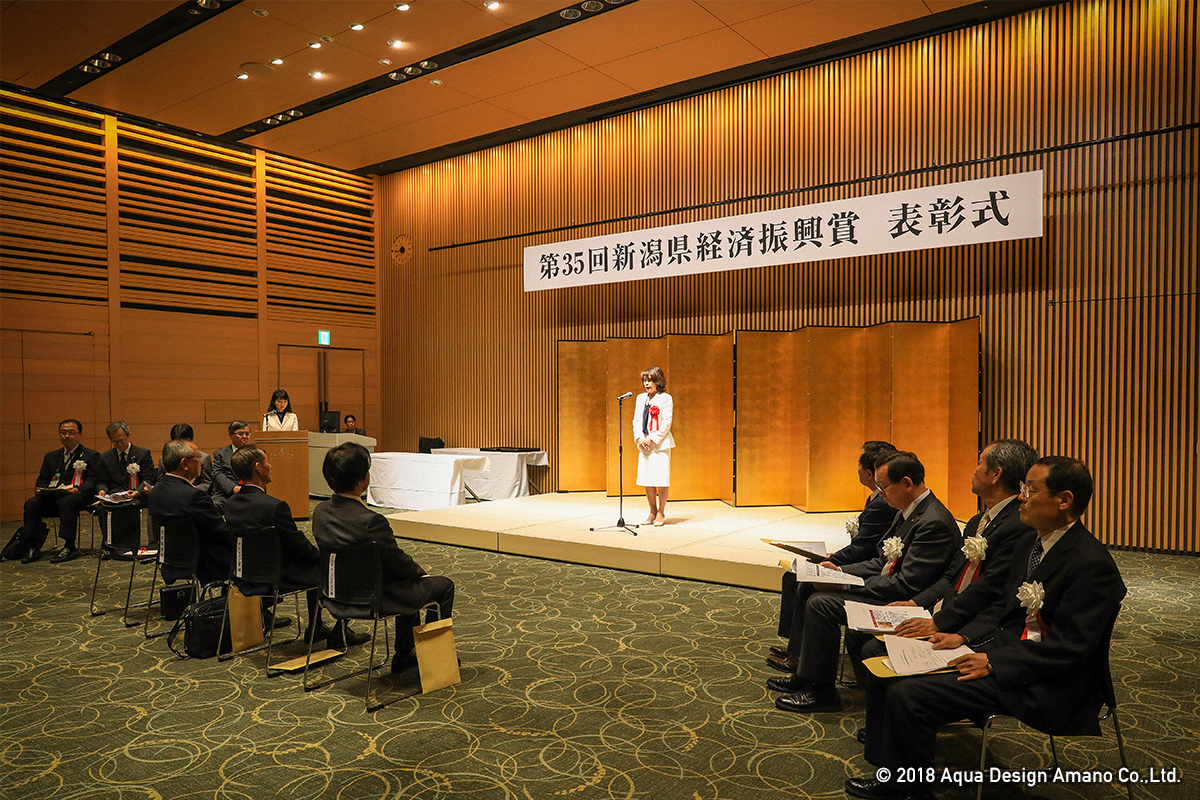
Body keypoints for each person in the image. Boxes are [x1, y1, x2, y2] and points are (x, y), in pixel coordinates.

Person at [846, 457, 1127, 800]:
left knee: (911, 693)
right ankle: (892, 770)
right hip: (1004, 651)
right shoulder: (1032, 542)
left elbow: (1071, 647)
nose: (1021, 497)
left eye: (1030, 490)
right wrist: (961, 637)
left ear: (1064, 500)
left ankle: (908, 790)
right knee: (891, 657)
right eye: (1023, 488)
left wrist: (992, 661)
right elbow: (998, 601)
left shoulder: (1090, 564)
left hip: (1045, 681)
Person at [769, 451, 961, 714]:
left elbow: (905, 584)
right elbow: (880, 561)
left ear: (906, 483)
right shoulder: (908, 511)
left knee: (821, 604)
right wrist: (838, 570)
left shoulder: (933, 522)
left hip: (903, 602)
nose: (880, 494)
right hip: (887, 588)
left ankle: (821, 692)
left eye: (884, 487)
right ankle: (805, 675)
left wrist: (845, 584)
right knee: (808, 584)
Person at [313, 442, 455, 673]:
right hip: (371, 598)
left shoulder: (319, 512)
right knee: (442, 586)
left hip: (333, 594)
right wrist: (420, 572)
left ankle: (405, 654)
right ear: (364, 479)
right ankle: (433, 659)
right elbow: (397, 562)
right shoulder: (371, 521)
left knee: (406, 584)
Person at [768, 440, 899, 673]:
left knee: (804, 582)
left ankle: (799, 655)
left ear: (869, 472)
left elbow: (863, 550)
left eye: (859, 464)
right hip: (862, 563)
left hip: (867, 571)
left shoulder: (883, 503)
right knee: (795, 576)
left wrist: (833, 562)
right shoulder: (878, 498)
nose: (856, 468)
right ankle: (796, 648)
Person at [224, 447, 367, 647]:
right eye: (267, 461)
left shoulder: (230, 504)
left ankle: (316, 626)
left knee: (316, 568)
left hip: (245, 573)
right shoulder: (274, 506)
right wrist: (322, 558)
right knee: (333, 569)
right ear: (258, 468)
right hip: (277, 576)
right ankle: (340, 631)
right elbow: (298, 545)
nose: (270, 465)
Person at [146, 439, 232, 587]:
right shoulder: (194, 496)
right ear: (185, 464)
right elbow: (221, 532)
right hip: (201, 560)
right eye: (197, 457)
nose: (201, 462)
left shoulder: (157, 490)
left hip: (168, 558)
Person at [16, 418, 101, 564]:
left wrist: (78, 489)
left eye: (71, 433)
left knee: (66, 502)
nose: (66, 436)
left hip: (78, 497)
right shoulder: (51, 456)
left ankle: (69, 546)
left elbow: (92, 480)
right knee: (32, 503)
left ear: (80, 434)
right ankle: (32, 545)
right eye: (63, 433)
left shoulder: (90, 455)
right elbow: (42, 479)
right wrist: (41, 489)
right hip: (54, 496)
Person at [632, 366, 674, 527]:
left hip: (660, 445)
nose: (647, 384)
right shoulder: (640, 398)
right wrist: (639, 438)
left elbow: (666, 423)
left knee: (661, 479)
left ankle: (661, 512)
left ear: (658, 381)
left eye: (650, 380)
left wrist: (653, 439)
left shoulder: (665, 398)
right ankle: (652, 511)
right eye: (644, 380)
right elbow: (636, 420)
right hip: (644, 445)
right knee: (647, 479)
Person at [96, 421, 156, 502]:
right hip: (114, 495)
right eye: (114, 442)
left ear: (128, 435)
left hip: (135, 495)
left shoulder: (143, 454)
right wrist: (102, 490)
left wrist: (137, 492)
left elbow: (148, 479)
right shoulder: (105, 457)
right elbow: (102, 480)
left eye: (122, 440)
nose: (119, 444)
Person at [156, 423, 213, 494]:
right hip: (171, 493)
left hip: (195, 494)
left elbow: (207, 482)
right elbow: (161, 480)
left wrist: (190, 489)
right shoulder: (164, 458)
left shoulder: (204, 458)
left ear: (192, 439)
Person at [211, 421, 253, 512]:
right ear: (230, 435)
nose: (244, 437)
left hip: (250, 492)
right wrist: (233, 488)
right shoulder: (220, 454)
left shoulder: (257, 453)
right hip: (226, 493)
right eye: (240, 434)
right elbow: (217, 474)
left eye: (247, 434)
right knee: (214, 504)